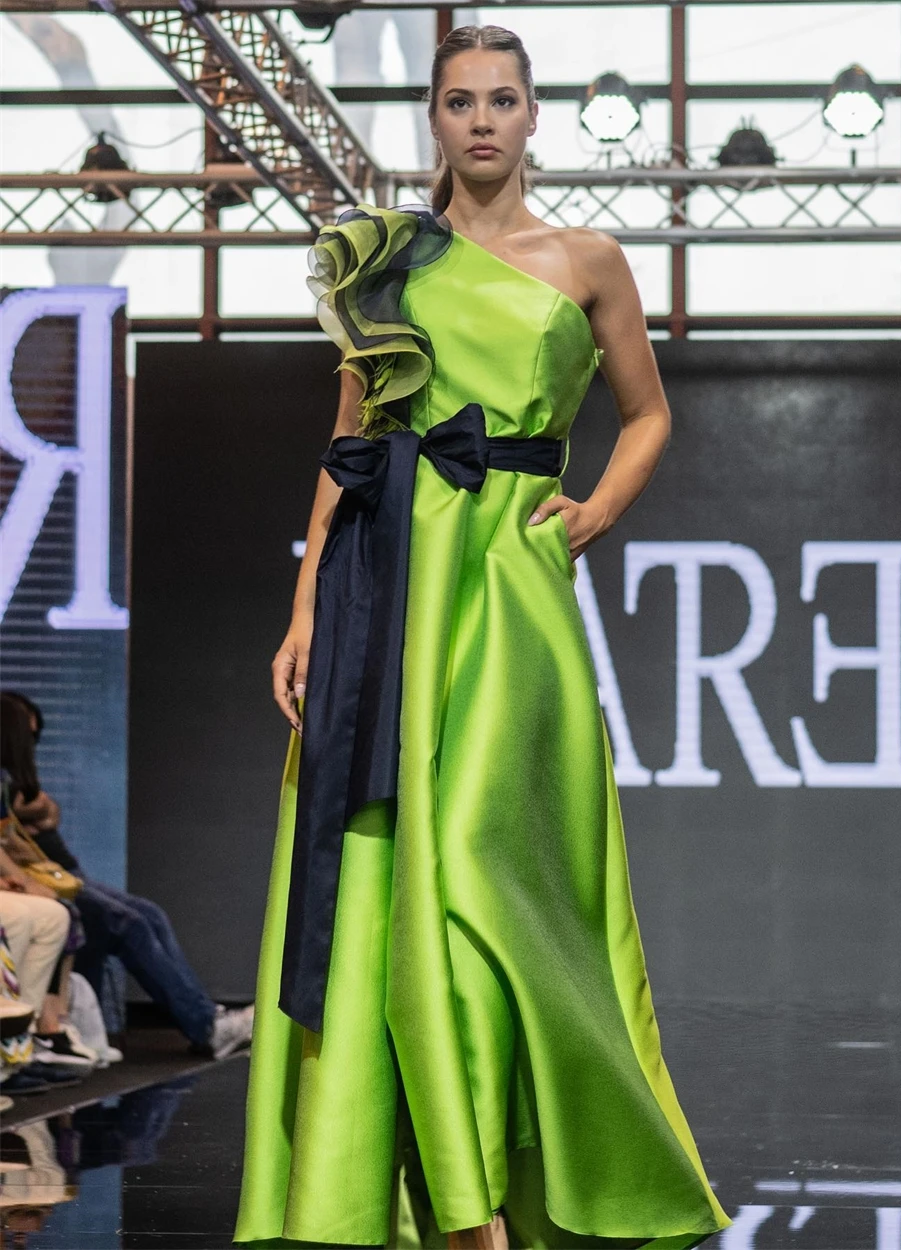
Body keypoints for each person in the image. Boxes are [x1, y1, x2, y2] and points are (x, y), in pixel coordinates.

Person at [235, 24, 733, 1250]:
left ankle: (509, 1177)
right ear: (433, 118)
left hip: (512, 586)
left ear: (532, 114)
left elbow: (648, 413)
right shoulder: (387, 264)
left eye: (501, 99)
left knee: (484, 870)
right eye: (458, 100)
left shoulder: (588, 260)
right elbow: (348, 441)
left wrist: (594, 511)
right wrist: (304, 607)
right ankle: (459, 1208)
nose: (481, 121)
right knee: (390, 873)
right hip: (386, 577)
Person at [1, 692, 254, 1061]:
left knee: (149, 913)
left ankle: (206, 1019)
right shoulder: (8, 785)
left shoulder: (15, 783)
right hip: (41, 878)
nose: (32, 742)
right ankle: (206, 1026)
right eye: (27, 734)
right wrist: (24, 879)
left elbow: (46, 811)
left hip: (60, 874)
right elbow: (30, 820)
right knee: (126, 922)